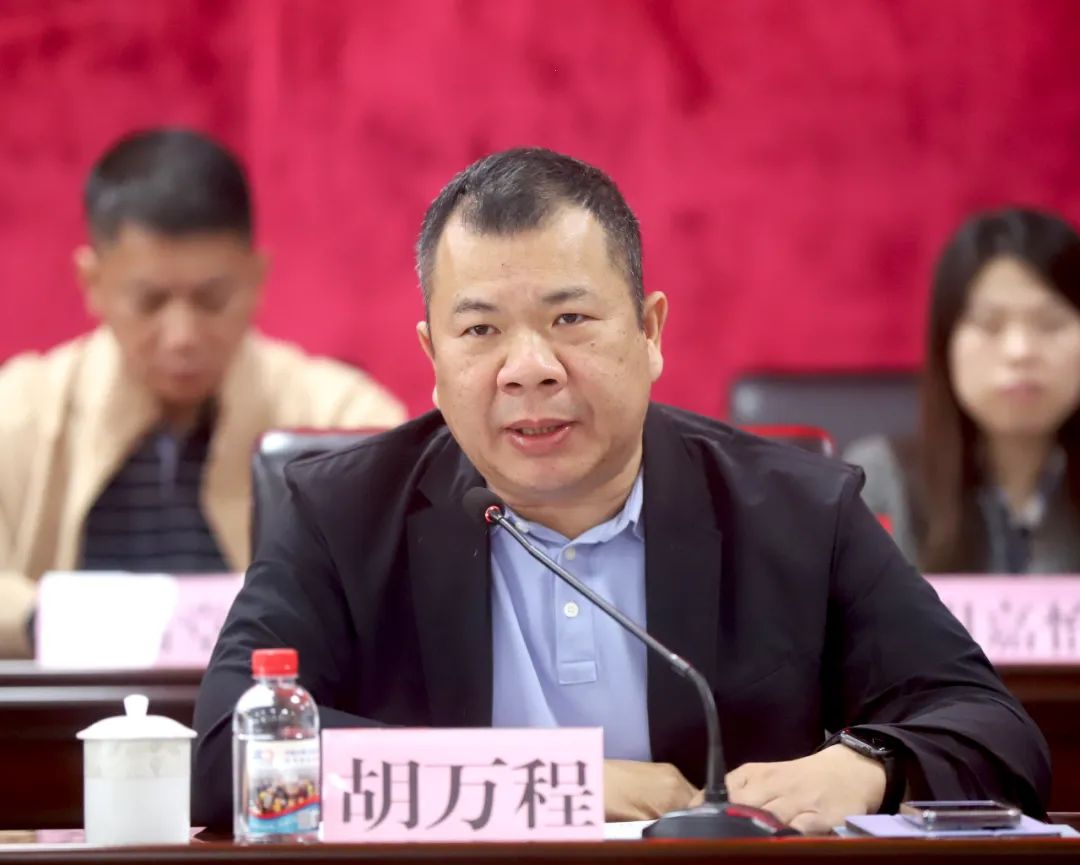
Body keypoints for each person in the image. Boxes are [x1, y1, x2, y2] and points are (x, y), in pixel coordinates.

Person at [193, 148, 1049, 834]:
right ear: (434, 360)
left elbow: (995, 729)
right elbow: (228, 748)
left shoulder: (796, 511)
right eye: (481, 330)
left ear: (649, 331)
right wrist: (550, 782)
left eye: (570, 319)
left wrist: (868, 766)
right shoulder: (342, 515)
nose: (529, 368)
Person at [0, 128, 407, 657]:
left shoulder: (339, 417)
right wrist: (51, 620)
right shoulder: (20, 414)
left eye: (212, 299)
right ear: (92, 283)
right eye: (149, 301)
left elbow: (410, 584)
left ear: (256, 277)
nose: (182, 336)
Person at [846, 208, 1080, 574]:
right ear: (946, 345)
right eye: (990, 325)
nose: (1020, 351)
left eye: (1050, 324)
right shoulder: (882, 482)